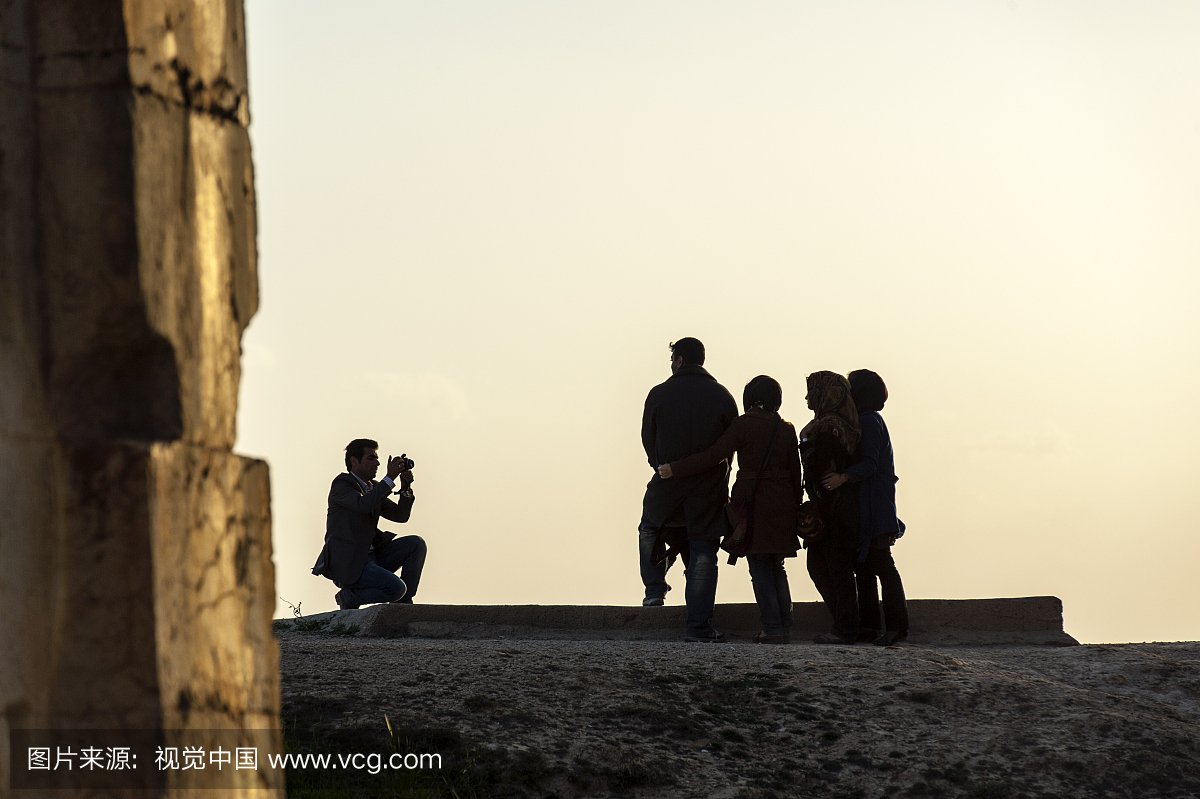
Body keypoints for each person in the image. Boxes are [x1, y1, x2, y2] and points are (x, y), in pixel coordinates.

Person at [658, 376, 803, 644]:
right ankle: (783, 626)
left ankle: (771, 628)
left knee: (759, 564)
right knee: (776, 565)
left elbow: (714, 456)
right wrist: (795, 507)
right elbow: (796, 474)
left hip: (754, 503)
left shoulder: (743, 425)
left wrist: (675, 469)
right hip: (783, 504)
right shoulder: (786, 428)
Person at [639, 337, 738, 642]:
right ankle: (699, 628)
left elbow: (648, 440)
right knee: (703, 552)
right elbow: (729, 447)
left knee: (649, 529)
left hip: (666, 486)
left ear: (679, 360)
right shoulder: (723, 396)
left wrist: (662, 465)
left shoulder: (659, 394)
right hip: (708, 491)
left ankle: (654, 589)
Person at [821, 369, 909, 646]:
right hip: (870, 505)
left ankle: (896, 627)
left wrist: (843, 478)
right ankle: (870, 626)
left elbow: (870, 463)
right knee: (866, 567)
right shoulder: (866, 420)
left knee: (883, 566)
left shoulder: (870, 421)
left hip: (875, 506)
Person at [311, 438, 427, 610]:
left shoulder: (374, 488)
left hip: (372, 558)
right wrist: (389, 478)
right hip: (350, 564)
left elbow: (400, 516)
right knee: (396, 588)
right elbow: (363, 504)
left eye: (377, 458)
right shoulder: (342, 485)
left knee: (416, 544)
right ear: (354, 461)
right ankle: (349, 597)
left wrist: (406, 487)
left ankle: (404, 605)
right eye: (371, 458)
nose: (378, 463)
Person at [799, 371, 861, 644]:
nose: (807, 397)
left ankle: (844, 628)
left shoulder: (828, 427)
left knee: (832, 569)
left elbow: (817, 467)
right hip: (840, 507)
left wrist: (803, 440)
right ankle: (844, 625)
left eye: (812, 391)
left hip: (833, 510)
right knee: (832, 567)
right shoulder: (845, 423)